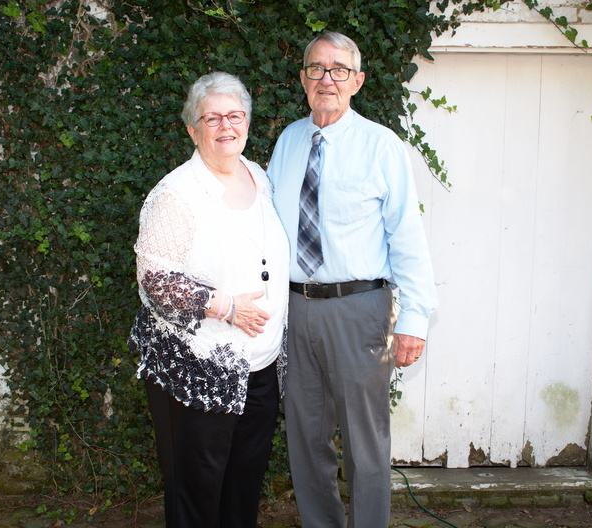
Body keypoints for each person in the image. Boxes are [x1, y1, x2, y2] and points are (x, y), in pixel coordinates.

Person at [267, 32, 437, 527]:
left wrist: (416, 319)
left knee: (365, 445)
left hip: (360, 312)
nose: (327, 79)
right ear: (302, 78)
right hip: (295, 310)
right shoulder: (288, 141)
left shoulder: (382, 146)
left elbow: (407, 236)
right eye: (316, 68)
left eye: (339, 69)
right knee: (305, 438)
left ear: (357, 81)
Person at [128, 71, 289, 528]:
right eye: (212, 118)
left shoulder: (259, 176)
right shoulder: (175, 194)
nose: (225, 126)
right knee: (196, 494)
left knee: (243, 489)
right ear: (192, 129)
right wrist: (226, 307)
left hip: (259, 367)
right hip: (197, 370)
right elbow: (154, 282)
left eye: (235, 116)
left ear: (247, 122)